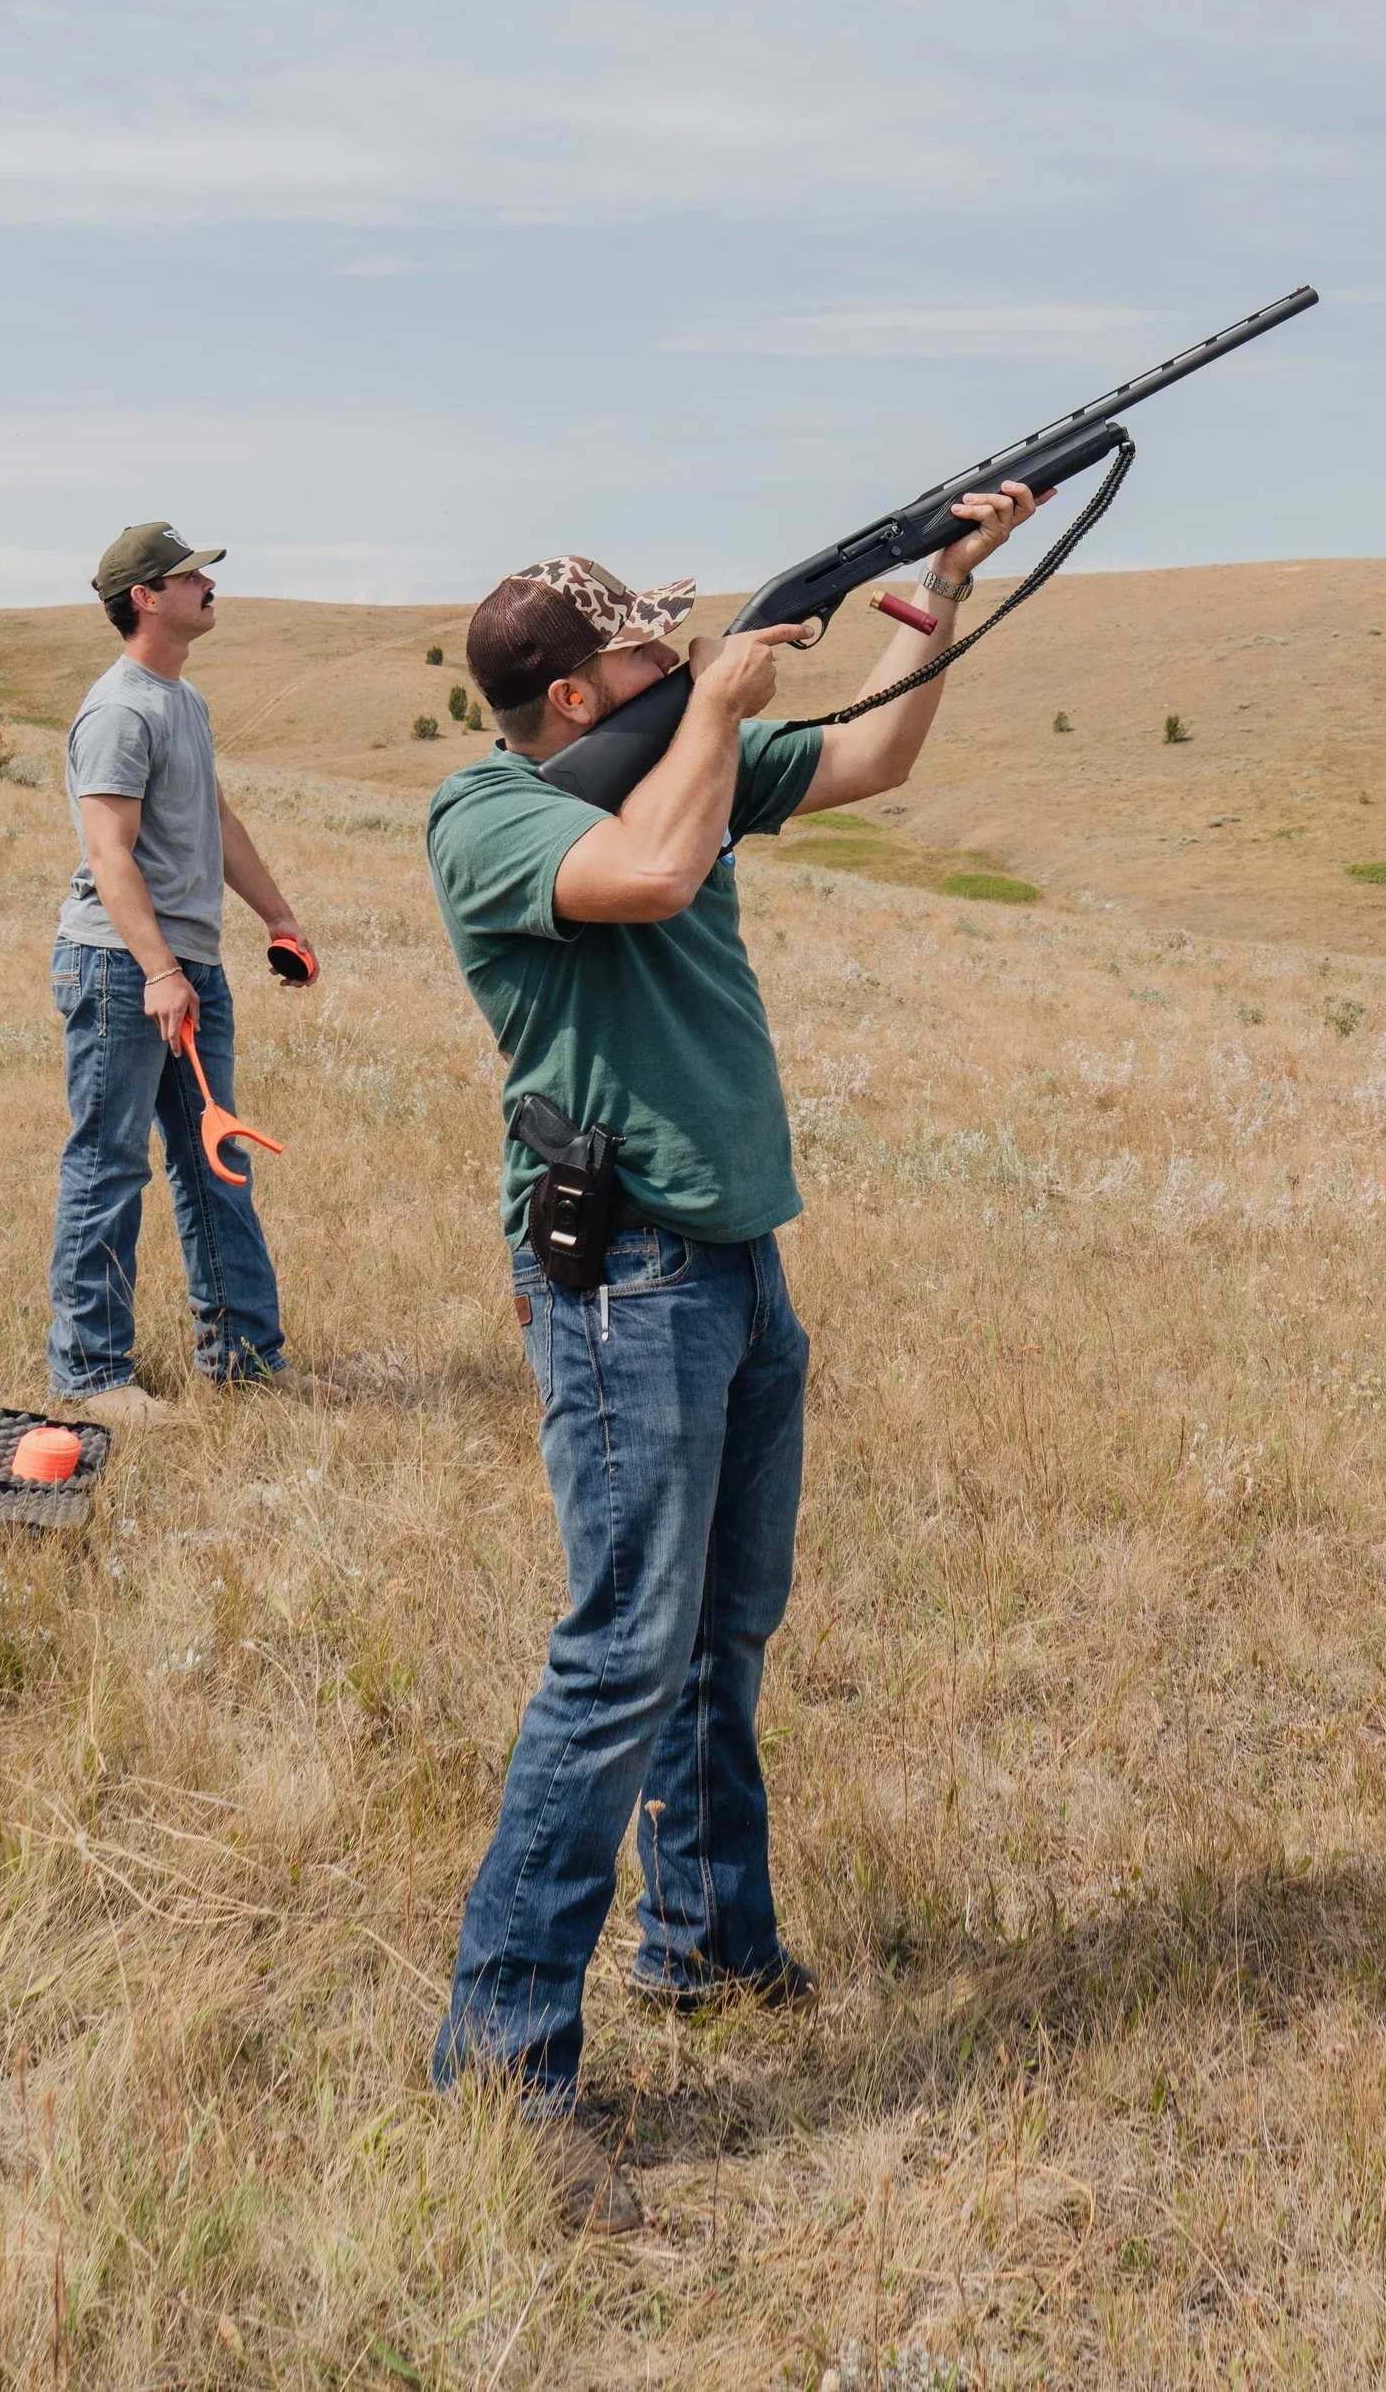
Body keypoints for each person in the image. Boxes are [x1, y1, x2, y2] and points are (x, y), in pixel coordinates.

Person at [423, 489, 1037, 2228]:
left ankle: (707, 1947)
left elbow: (874, 768)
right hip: (621, 1273)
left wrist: (935, 594)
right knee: (621, 1648)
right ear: (569, 699)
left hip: (735, 1259)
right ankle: (504, 2061)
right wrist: (712, 707)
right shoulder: (485, 814)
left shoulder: (674, 745)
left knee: (725, 1626)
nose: (681, 656)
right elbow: (652, 871)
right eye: (645, 647)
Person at [48, 522, 316, 1421]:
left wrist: (276, 915)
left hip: (185, 969)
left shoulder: (183, 702)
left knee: (216, 1158)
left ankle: (243, 1357)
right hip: (125, 972)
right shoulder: (120, 709)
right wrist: (161, 970)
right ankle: (90, 1373)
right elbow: (109, 853)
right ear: (145, 598)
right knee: (108, 1164)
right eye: (189, 575)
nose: (208, 585)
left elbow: (218, 819)